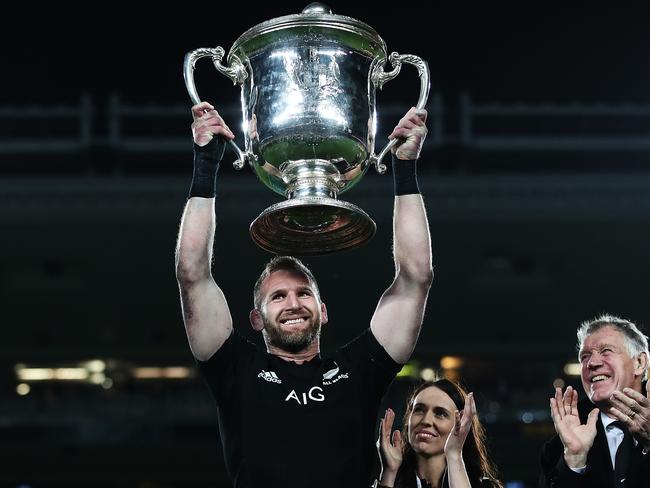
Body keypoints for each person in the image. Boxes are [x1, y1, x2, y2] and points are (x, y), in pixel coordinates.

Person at [175, 101, 433, 488]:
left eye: (303, 293)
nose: (293, 303)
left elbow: (416, 277)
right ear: (256, 318)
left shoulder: (358, 371)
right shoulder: (235, 370)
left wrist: (405, 168)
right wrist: (206, 164)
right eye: (277, 297)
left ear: (323, 310)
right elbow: (192, 274)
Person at [539, 314, 650, 487]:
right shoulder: (560, 447)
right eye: (584, 356)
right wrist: (575, 460)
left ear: (639, 362)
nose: (591, 362)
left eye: (606, 351)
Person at [377, 378, 502, 488]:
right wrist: (389, 472)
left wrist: (454, 455)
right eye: (419, 410)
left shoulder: (484, 486)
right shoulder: (387, 480)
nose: (426, 420)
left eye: (440, 413)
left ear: (463, 425)